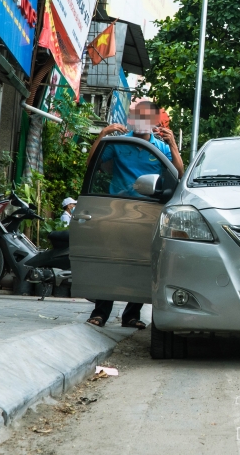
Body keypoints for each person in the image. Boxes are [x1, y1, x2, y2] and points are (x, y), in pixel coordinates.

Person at [85, 99, 184, 328]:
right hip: (116, 209)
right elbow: (92, 164)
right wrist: (104, 134)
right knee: (110, 261)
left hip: (148, 211)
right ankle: (100, 312)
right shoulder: (118, 142)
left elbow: (179, 174)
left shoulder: (160, 147)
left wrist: (174, 145)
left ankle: (132, 315)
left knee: (142, 263)